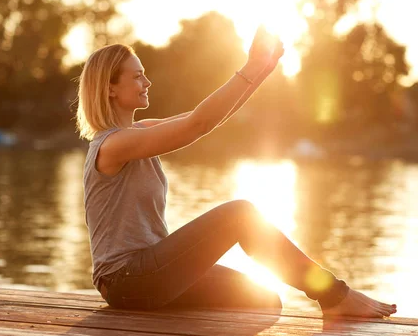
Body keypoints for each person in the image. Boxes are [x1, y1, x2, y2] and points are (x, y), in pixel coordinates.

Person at [76, 26, 397, 317]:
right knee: (240, 215)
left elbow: (204, 117)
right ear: (110, 89)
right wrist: (252, 66)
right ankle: (334, 296)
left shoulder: (139, 131)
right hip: (126, 280)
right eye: (136, 76)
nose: (147, 82)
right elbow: (197, 124)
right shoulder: (112, 145)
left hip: (149, 273)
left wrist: (262, 70)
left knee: (262, 298)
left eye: (144, 74)